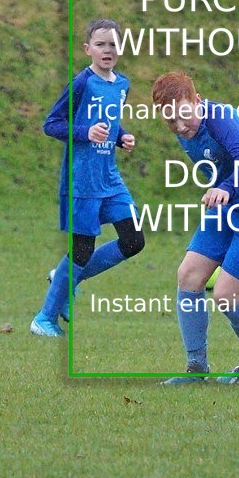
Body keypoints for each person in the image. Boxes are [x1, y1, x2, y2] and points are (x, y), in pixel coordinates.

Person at [151, 72, 239, 384]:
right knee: (188, 275)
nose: (179, 127)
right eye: (170, 121)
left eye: (183, 116)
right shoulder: (185, 127)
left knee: (225, 292)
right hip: (230, 200)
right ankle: (196, 369)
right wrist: (225, 190)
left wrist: (226, 188)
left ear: (198, 101)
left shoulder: (219, 118)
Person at [31, 19, 145, 337]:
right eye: (100, 44)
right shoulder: (81, 83)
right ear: (87, 49)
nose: (107, 50)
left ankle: (66, 277)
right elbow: (52, 124)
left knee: (134, 240)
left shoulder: (122, 84)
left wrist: (121, 137)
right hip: (82, 181)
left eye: (113, 44)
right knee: (82, 249)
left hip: (110, 179)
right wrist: (85, 133)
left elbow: (106, 121)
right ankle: (44, 318)